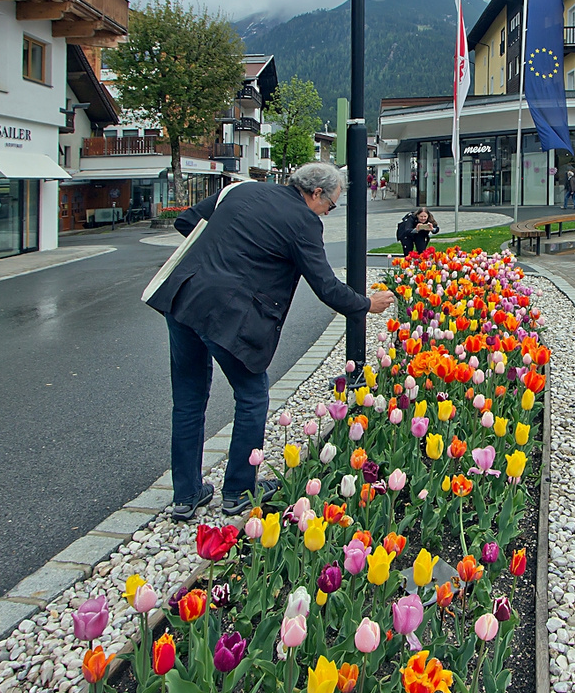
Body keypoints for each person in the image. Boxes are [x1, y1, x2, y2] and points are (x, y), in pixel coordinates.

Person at [147, 163, 395, 520]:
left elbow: (187, 222)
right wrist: (366, 304)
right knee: (251, 395)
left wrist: (224, 252)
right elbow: (325, 286)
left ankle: (186, 496)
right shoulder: (303, 221)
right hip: (229, 314)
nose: (328, 211)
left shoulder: (241, 189)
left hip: (183, 298)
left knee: (187, 401)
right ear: (314, 193)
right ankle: (238, 491)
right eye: (331, 204)